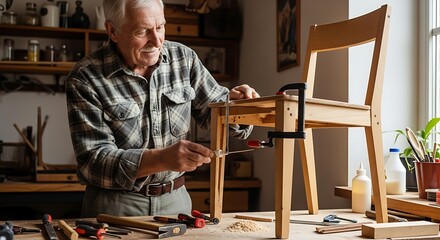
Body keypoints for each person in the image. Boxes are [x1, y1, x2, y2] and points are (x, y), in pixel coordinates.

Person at [65, 0, 259, 218]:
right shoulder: (85, 77)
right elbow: (93, 162)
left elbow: (218, 115)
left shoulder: (184, 59)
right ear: (113, 30)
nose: (157, 41)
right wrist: (161, 159)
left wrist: (239, 105)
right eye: (142, 31)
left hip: (176, 200)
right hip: (115, 204)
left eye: (160, 27)